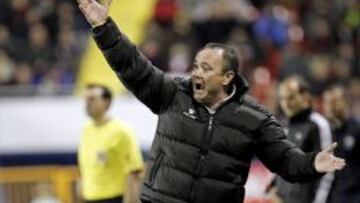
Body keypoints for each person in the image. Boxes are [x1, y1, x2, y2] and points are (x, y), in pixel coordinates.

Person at [76, 1, 346, 203]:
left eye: (206, 68)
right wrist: (104, 27)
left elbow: (286, 160)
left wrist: (312, 164)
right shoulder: (172, 93)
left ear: (228, 77)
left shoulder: (254, 118)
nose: (196, 73)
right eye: (195, 66)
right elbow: (132, 65)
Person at [268, 76, 334, 203]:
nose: (286, 103)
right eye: (282, 99)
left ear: (304, 96)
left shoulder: (317, 124)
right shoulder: (281, 125)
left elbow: (328, 171)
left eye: (291, 97)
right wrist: (273, 187)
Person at [78, 84, 144, 203]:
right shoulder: (86, 130)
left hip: (113, 198)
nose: (87, 103)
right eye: (86, 99)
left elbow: (134, 173)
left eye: (92, 99)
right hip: (89, 198)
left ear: (106, 102)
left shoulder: (122, 131)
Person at [323, 85, 360, 203]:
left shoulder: (356, 128)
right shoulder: (322, 131)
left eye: (335, 101)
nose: (331, 106)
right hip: (331, 196)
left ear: (344, 102)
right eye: (327, 102)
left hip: (354, 195)